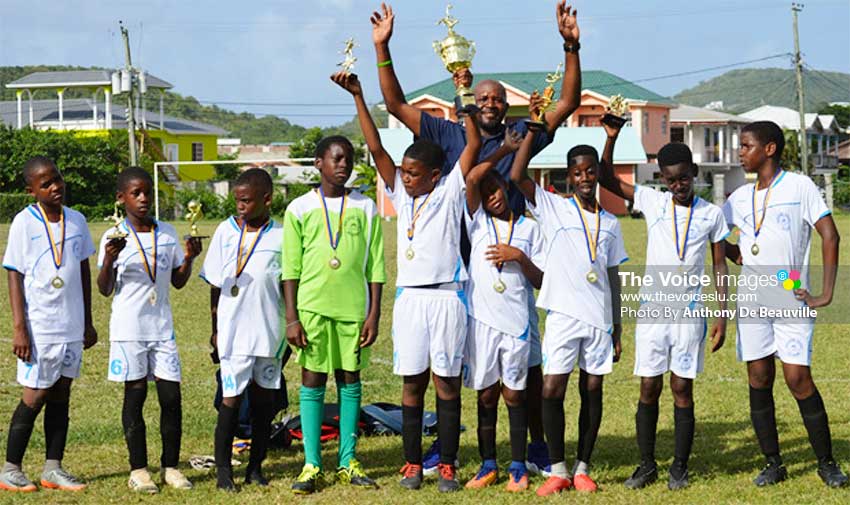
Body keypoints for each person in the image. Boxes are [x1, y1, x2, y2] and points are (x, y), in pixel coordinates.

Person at [371, 1, 580, 475]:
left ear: (507, 106)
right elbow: (396, 106)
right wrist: (383, 49)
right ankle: (448, 454)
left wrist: (571, 45)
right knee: (462, 368)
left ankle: (536, 449)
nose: (489, 104)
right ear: (473, 101)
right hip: (461, 272)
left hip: (513, 260)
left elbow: (567, 102)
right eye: (482, 99)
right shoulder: (446, 134)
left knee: (524, 364)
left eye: (497, 100)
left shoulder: (520, 133)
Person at [596, 124, 730, 490]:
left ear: (694, 174)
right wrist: (611, 136)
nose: (678, 186)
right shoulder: (652, 201)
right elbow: (606, 179)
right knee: (648, 387)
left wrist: (722, 313)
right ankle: (646, 465)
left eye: (684, 178)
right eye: (670, 180)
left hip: (689, 314)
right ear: (663, 179)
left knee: (682, 388)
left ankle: (680, 467)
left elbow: (719, 265)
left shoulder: (711, 215)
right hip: (653, 313)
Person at [722, 120, 847, 488]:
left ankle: (827, 463)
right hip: (752, 298)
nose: (740, 152)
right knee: (758, 377)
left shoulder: (799, 186)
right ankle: (773, 463)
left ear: (770, 148)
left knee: (798, 378)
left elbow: (830, 235)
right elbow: (714, 234)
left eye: (746, 146)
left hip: (790, 292)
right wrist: (736, 252)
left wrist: (825, 293)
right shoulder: (740, 196)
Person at [511, 131, 626, 495]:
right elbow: (517, 176)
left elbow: (613, 276)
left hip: (598, 319)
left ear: (596, 174)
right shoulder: (553, 206)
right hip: (562, 314)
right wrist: (531, 132)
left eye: (590, 171)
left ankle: (582, 468)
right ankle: (558, 469)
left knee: (593, 389)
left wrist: (618, 326)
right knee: (552, 389)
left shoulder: (611, 223)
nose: (585, 178)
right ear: (568, 176)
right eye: (577, 173)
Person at [284, 92, 386, 495]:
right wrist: (291, 318)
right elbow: (289, 270)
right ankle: (312, 464)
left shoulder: (365, 208)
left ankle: (347, 460)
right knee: (312, 380)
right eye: (336, 159)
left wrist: (374, 314)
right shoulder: (298, 209)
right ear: (319, 164)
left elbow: (376, 266)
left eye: (348, 159)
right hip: (311, 310)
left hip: (352, 311)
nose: (343, 165)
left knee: (350, 380)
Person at [96, 167, 201, 493]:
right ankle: (139, 469)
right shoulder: (114, 236)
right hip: (129, 329)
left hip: (162, 329)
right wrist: (110, 260)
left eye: (147, 192)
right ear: (121, 197)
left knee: (172, 398)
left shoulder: (166, 232)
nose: (143, 199)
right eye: (135, 193)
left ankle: (171, 467)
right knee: (136, 395)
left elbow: (177, 282)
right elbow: (104, 288)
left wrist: (189, 258)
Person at [1, 156, 97, 493]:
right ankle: (10, 469)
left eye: (57, 179)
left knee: (61, 394)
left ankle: (53, 468)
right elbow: (14, 273)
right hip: (39, 326)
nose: (55, 186)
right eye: (46, 184)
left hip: (71, 325)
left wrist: (88, 320)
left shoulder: (78, 220)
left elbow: (83, 271)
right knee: (35, 394)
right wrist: (19, 328)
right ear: (32, 191)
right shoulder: (23, 223)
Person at [461, 119, 545, 492]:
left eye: (498, 189)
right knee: (486, 394)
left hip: (516, 322)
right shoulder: (477, 222)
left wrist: (518, 257)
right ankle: (487, 464)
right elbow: (470, 178)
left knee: (514, 393)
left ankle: (517, 465)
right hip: (481, 321)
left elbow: (542, 280)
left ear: (508, 191)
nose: (493, 196)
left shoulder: (529, 228)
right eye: (488, 190)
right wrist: (504, 151)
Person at [200, 168, 285, 491]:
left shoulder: (281, 234)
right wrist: (215, 328)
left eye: (246, 201)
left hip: (268, 332)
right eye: (237, 200)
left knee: (264, 402)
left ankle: (256, 467)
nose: (240, 206)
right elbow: (213, 282)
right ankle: (224, 471)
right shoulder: (225, 231)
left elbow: (288, 283)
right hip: (233, 332)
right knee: (231, 400)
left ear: (267, 199)